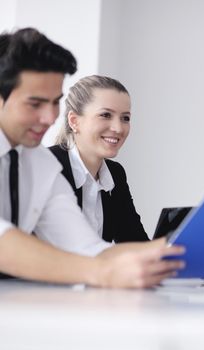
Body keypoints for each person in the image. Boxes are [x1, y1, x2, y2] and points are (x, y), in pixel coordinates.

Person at [0, 27, 184, 288]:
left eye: (54, 103)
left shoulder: (39, 163)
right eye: (35, 104)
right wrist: (100, 272)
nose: (50, 117)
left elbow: (86, 246)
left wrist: (179, 252)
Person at [49, 75, 148, 243]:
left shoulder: (115, 174)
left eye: (125, 118)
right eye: (105, 115)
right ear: (74, 121)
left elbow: (133, 241)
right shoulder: (46, 165)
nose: (118, 128)